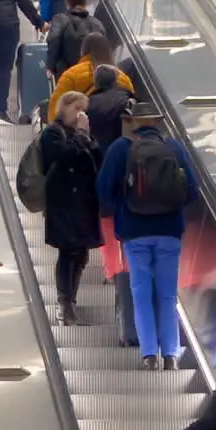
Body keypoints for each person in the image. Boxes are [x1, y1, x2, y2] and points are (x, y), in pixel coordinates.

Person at [96, 101, 197, 369]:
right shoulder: (174, 148)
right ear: (159, 121)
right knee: (167, 294)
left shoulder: (121, 148)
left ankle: (149, 354)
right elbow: (192, 191)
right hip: (170, 232)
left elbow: (103, 190)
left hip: (134, 231)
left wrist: (125, 203)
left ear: (133, 122)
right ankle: (172, 355)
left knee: (140, 291)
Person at [41, 91, 103, 325]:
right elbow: (62, 157)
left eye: (83, 110)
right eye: (77, 108)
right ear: (65, 107)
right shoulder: (53, 133)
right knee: (67, 252)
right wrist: (80, 135)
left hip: (84, 204)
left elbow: (97, 160)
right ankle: (64, 304)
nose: (80, 115)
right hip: (64, 204)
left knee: (81, 255)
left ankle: (72, 302)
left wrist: (90, 140)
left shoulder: (80, 134)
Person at [86, 65, 133, 283]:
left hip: (97, 167)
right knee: (127, 217)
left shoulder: (88, 105)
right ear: (116, 80)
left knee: (105, 219)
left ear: (96, 82)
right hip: (125, 166)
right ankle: (128, 267)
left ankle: (111, 271)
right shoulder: (127, 100)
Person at [48, 33, 133, 123]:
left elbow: (55, 110)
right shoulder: (123, 78)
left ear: (82, 52)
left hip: (82, 133)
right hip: (117, 133)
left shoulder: (72, 75)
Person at [46, 0, 105, 78]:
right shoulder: (97, 24)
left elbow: (54, 40)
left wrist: (50, 66)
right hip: (91, 75)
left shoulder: (60, 19)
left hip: (67, 73)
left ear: (68, 3)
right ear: (85, 3)